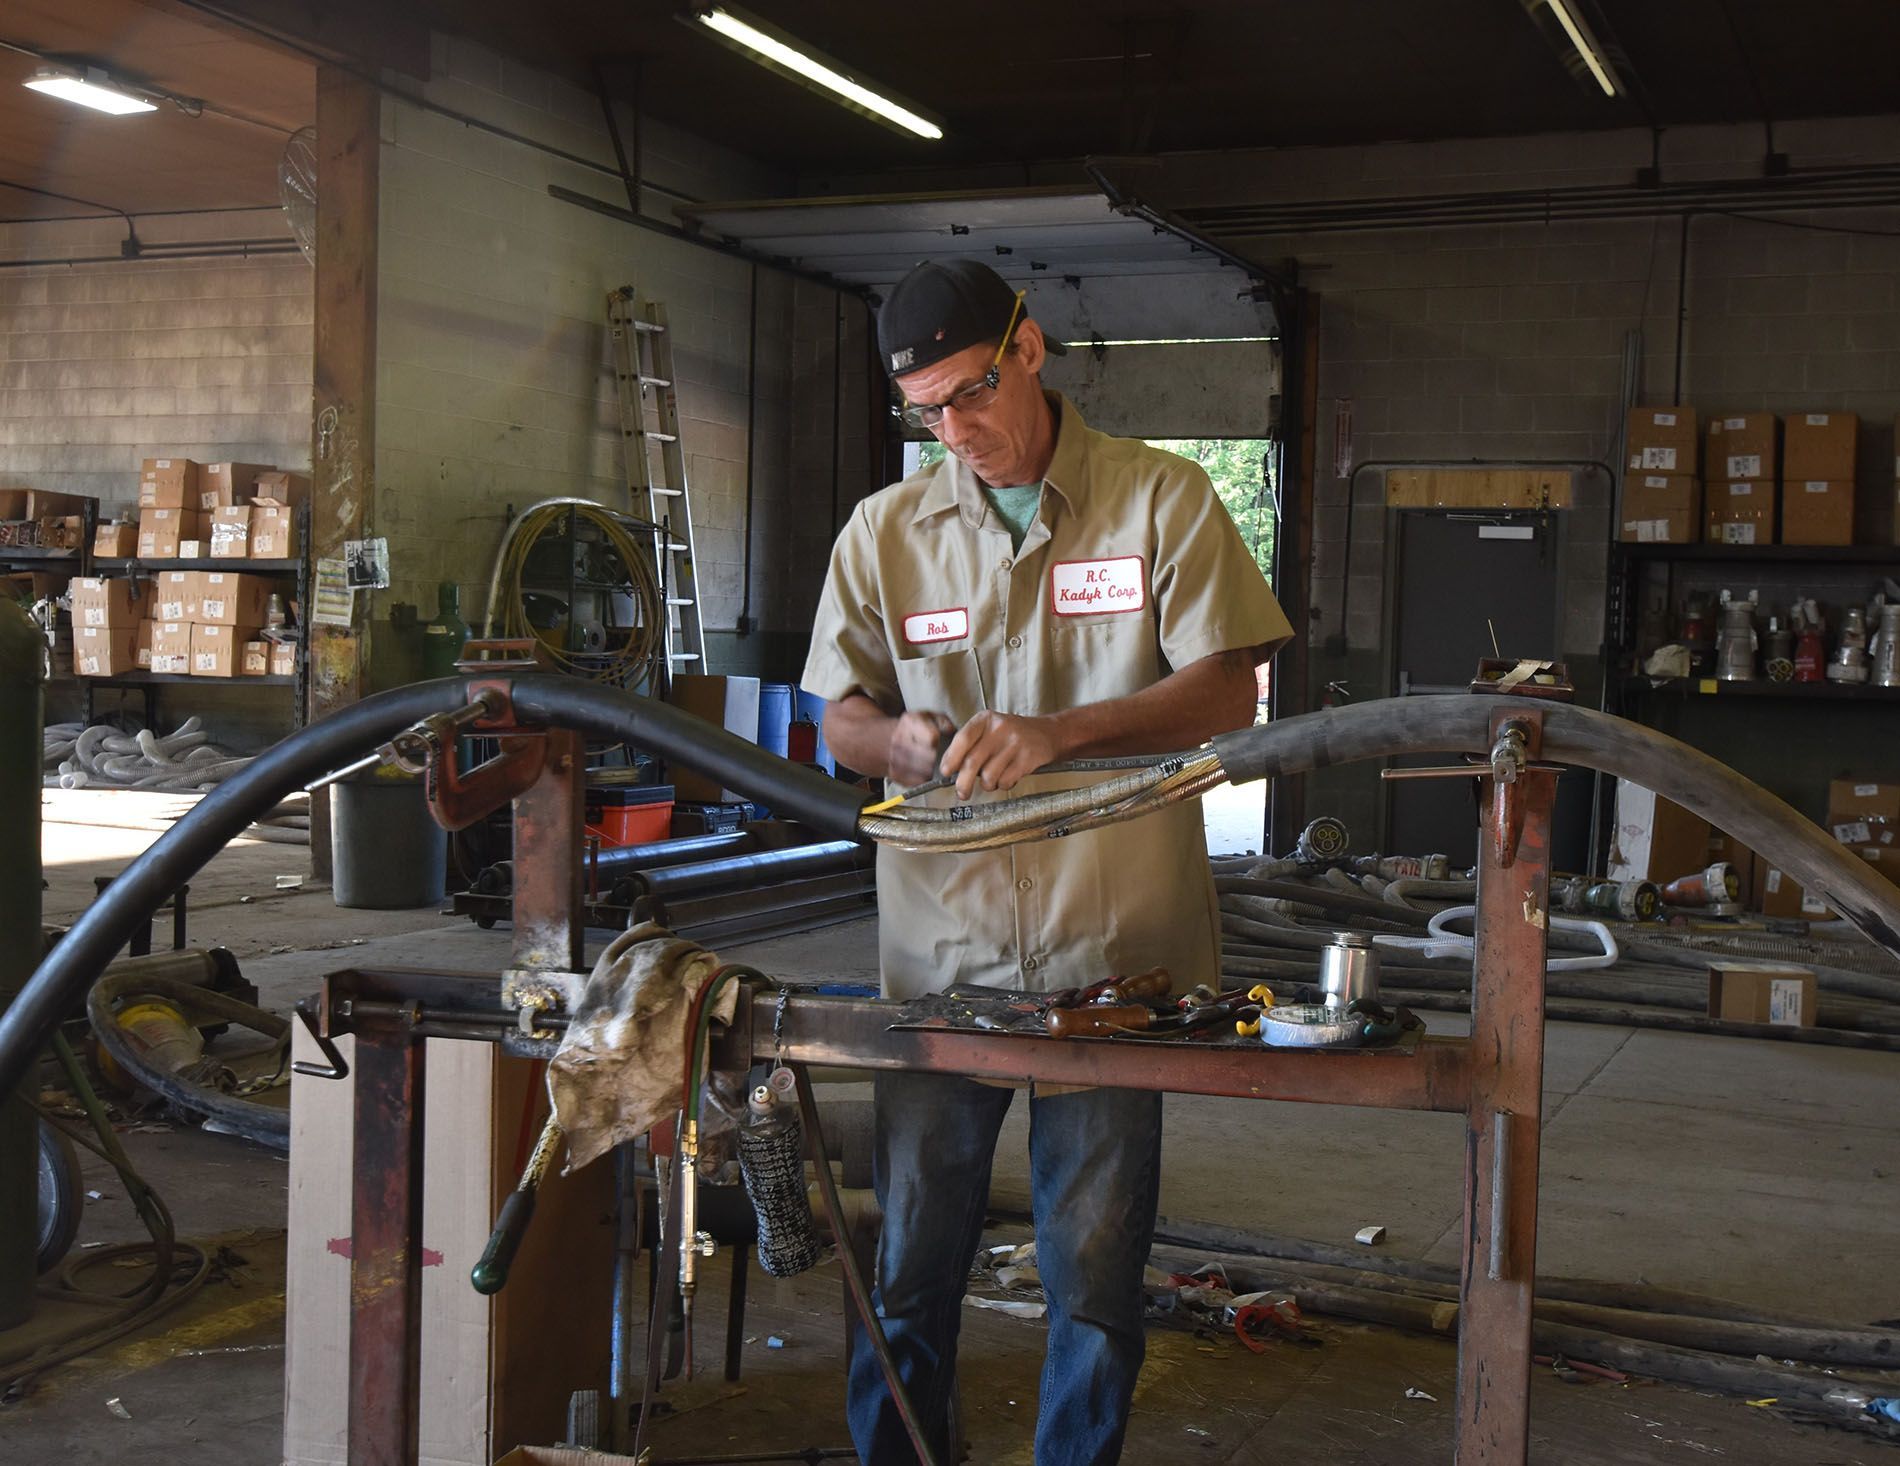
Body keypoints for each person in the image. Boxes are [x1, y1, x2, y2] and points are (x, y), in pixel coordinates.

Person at [800, 258, 1293, 1465]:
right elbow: (838, 720)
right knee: (909, 1267)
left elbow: (1231, 685)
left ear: (1028, 348)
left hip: (1113, 959)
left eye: (970, 392)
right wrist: (897, 739)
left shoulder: (1159, 499)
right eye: (927, 411)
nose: (956, 431)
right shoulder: (886, 530)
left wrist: (1061, 730)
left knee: (1093, 1273)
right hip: (941, 954)